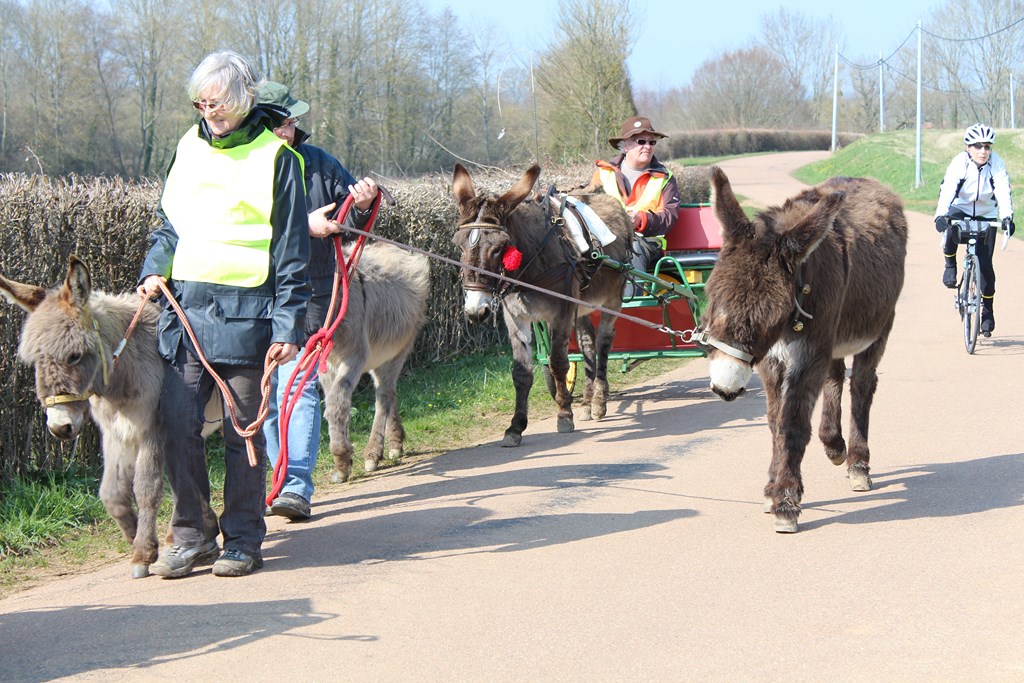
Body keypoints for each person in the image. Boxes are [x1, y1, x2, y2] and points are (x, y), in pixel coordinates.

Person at [138, 51, 310, 578]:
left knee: (244, 434)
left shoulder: (279, 159)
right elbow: (170, 223)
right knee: (176, 423)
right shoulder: (187, 147)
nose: (208, 110)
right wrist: (154, 267)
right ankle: (193, 534)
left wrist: (287, 327)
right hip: (186, 310)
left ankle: (242, 538)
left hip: (248, 315)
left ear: (243, 100)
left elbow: (291, 251)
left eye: (217, 101)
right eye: (200, 102)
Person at [256, 81, 378, 521]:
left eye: (291, 122)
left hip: (310, 293)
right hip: (253, 296)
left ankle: (295, 486)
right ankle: (281, 475)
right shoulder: (240, 169)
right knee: (267, 397)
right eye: (280, 122)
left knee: (299, 385)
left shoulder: (320, 163)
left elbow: (349, 219)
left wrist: (361, 204)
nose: (289, 129)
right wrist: (302, 227)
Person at [935, 122, 1014, 336]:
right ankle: (950, 263)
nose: (983, 151)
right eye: (977, 146)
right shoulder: (959, 163)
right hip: (959, 208)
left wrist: (1007, 217)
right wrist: (940, 215)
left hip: (986, 213)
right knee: (952, 227)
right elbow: (948, 188)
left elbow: (1003, 190)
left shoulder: (996, 163)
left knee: (986, 267)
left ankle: (987, 311)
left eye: (987, 146)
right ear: (968, 148)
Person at [592, 115, 681, 297]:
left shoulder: (665, 178)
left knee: (633, 248)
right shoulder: (603, 173)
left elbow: (670, 217)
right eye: (641, 141)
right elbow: (585, 201)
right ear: (625, 146)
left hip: (646, 243)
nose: (647, 146)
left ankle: (629, 311)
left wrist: (641, 220)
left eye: (652, 142)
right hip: (605, 241)